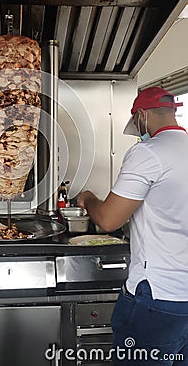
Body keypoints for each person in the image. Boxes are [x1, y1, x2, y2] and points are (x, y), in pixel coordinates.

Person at [77, 86, 188, 365]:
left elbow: (108, 220)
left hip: (158, 296)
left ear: (141, 116)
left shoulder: (148, 153)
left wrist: (88, 198)